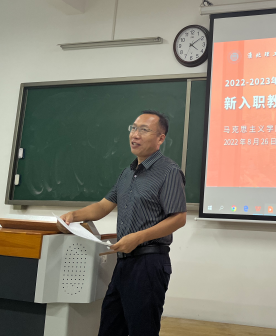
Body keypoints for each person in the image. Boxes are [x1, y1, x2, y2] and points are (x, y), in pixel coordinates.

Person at [59, 110, 187, 336]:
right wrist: (73, 216)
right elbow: (103, 206)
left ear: (160, 138)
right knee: (110, 328)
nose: (135, 135)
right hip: (123, 263)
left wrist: (138, 237)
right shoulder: (128, 172)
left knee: (142, 330)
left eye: (144, 130)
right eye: (134, 128)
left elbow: (178, 218)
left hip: (149, 263)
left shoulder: (169, 171)